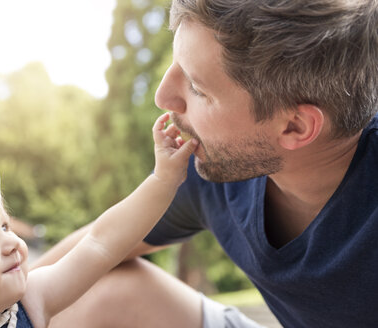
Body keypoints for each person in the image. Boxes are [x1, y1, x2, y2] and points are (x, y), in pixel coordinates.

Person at [30, 0, 378, 327]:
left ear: (294, 126)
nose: (163, 96)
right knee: (111, 288)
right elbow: (95, 246)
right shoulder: (214, 170)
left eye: (197, 87)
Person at [0, 112, 199, 328]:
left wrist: (162, 181)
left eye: (4, 227)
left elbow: (100, 243)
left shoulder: (31, 302)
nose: (10, 242)